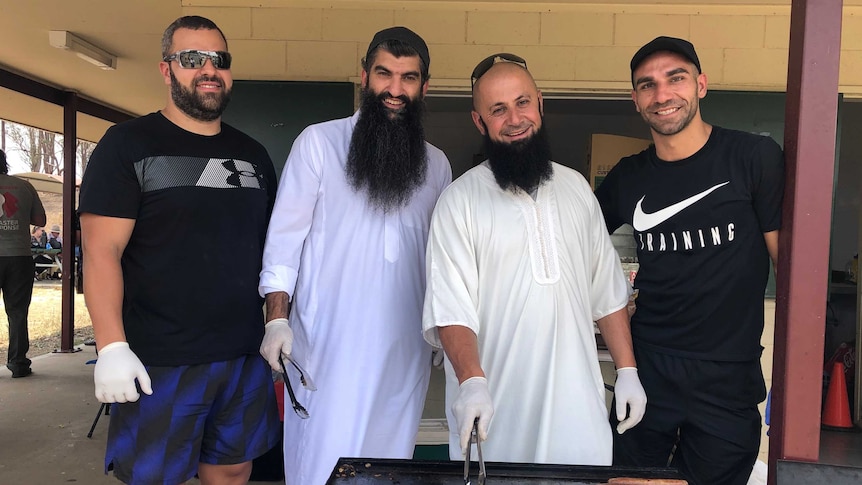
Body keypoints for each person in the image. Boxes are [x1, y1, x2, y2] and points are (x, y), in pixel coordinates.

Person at [78, 15, 280, 485]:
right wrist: (111, 346)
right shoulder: (127, 145)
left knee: (232, 471)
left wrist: (278, 321)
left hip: (242, 354)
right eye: (192, 58)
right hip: (161, 359)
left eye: (219, 59)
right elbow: (101, 251)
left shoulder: (253, 156)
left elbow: (272, 250)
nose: (208, 69)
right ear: (167, 70)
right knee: (155, 478)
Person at [422, 54, 646, 465]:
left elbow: (606, 289)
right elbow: (451, 306)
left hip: (578, 412)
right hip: (497, 411)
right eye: (498, 109)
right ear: (479, 122)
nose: (515, 118)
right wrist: (472, 382)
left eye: (523, 102)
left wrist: (627, 371)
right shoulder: (459, 201)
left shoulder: (576, 188)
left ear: (540, 103)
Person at [257, 26, 452, 485]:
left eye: (408, 78)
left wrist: (445, 324)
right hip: (326, 346)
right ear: (364, 76)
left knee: (389, 465)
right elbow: (285, 240)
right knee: (321, 464)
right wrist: (276, 319)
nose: (395, 89)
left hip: (405, 351)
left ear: (424, 87)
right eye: (385, 74)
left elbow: (441, 258)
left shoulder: (438, 165)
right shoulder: (318, 144)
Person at [594, 37, 784, 485]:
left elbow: (791, 271)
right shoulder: (628, 176)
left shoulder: (753, 157)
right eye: (647, 85)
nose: (662, 95)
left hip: (728, 376)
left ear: (701, 84)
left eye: (675, 78)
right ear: (635, 99)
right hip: (648, 369)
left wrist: (796, 373)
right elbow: (576, 249)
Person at [0, 148, 47, 378]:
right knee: (17, 311)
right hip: (19, 255)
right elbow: (40, 220)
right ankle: (18, 363)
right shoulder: (24, 186)